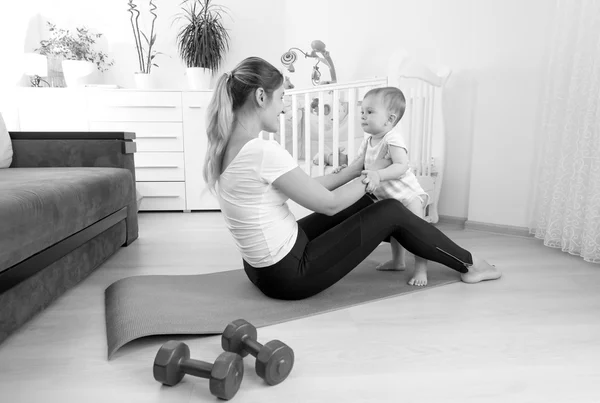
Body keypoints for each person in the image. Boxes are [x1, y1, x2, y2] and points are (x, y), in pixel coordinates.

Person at [203, 56, 501, 301]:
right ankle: (469, 264)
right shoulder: (263, 151)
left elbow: (307, 187)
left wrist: (355, 170)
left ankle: (406, 256)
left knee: (368, 203)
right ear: (260, 96)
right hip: (287, 276)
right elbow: (330, 205)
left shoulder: (228, 144)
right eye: (281, 97)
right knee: (390, 209)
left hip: (259, 269)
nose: (283, 107)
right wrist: (373, 176)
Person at [334, 87, 430, 286]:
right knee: (397, 231)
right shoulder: (368, 141)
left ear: (389, 120)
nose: (363, 116)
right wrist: (344, 170)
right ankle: (398, 261)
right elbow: (359, 164)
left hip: (408, 196)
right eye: (362, 112)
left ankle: (421, 269)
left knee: (418, 233)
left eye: (370, 112)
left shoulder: (392, 138)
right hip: (389, 198)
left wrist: (379, 174)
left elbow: (401, 165)